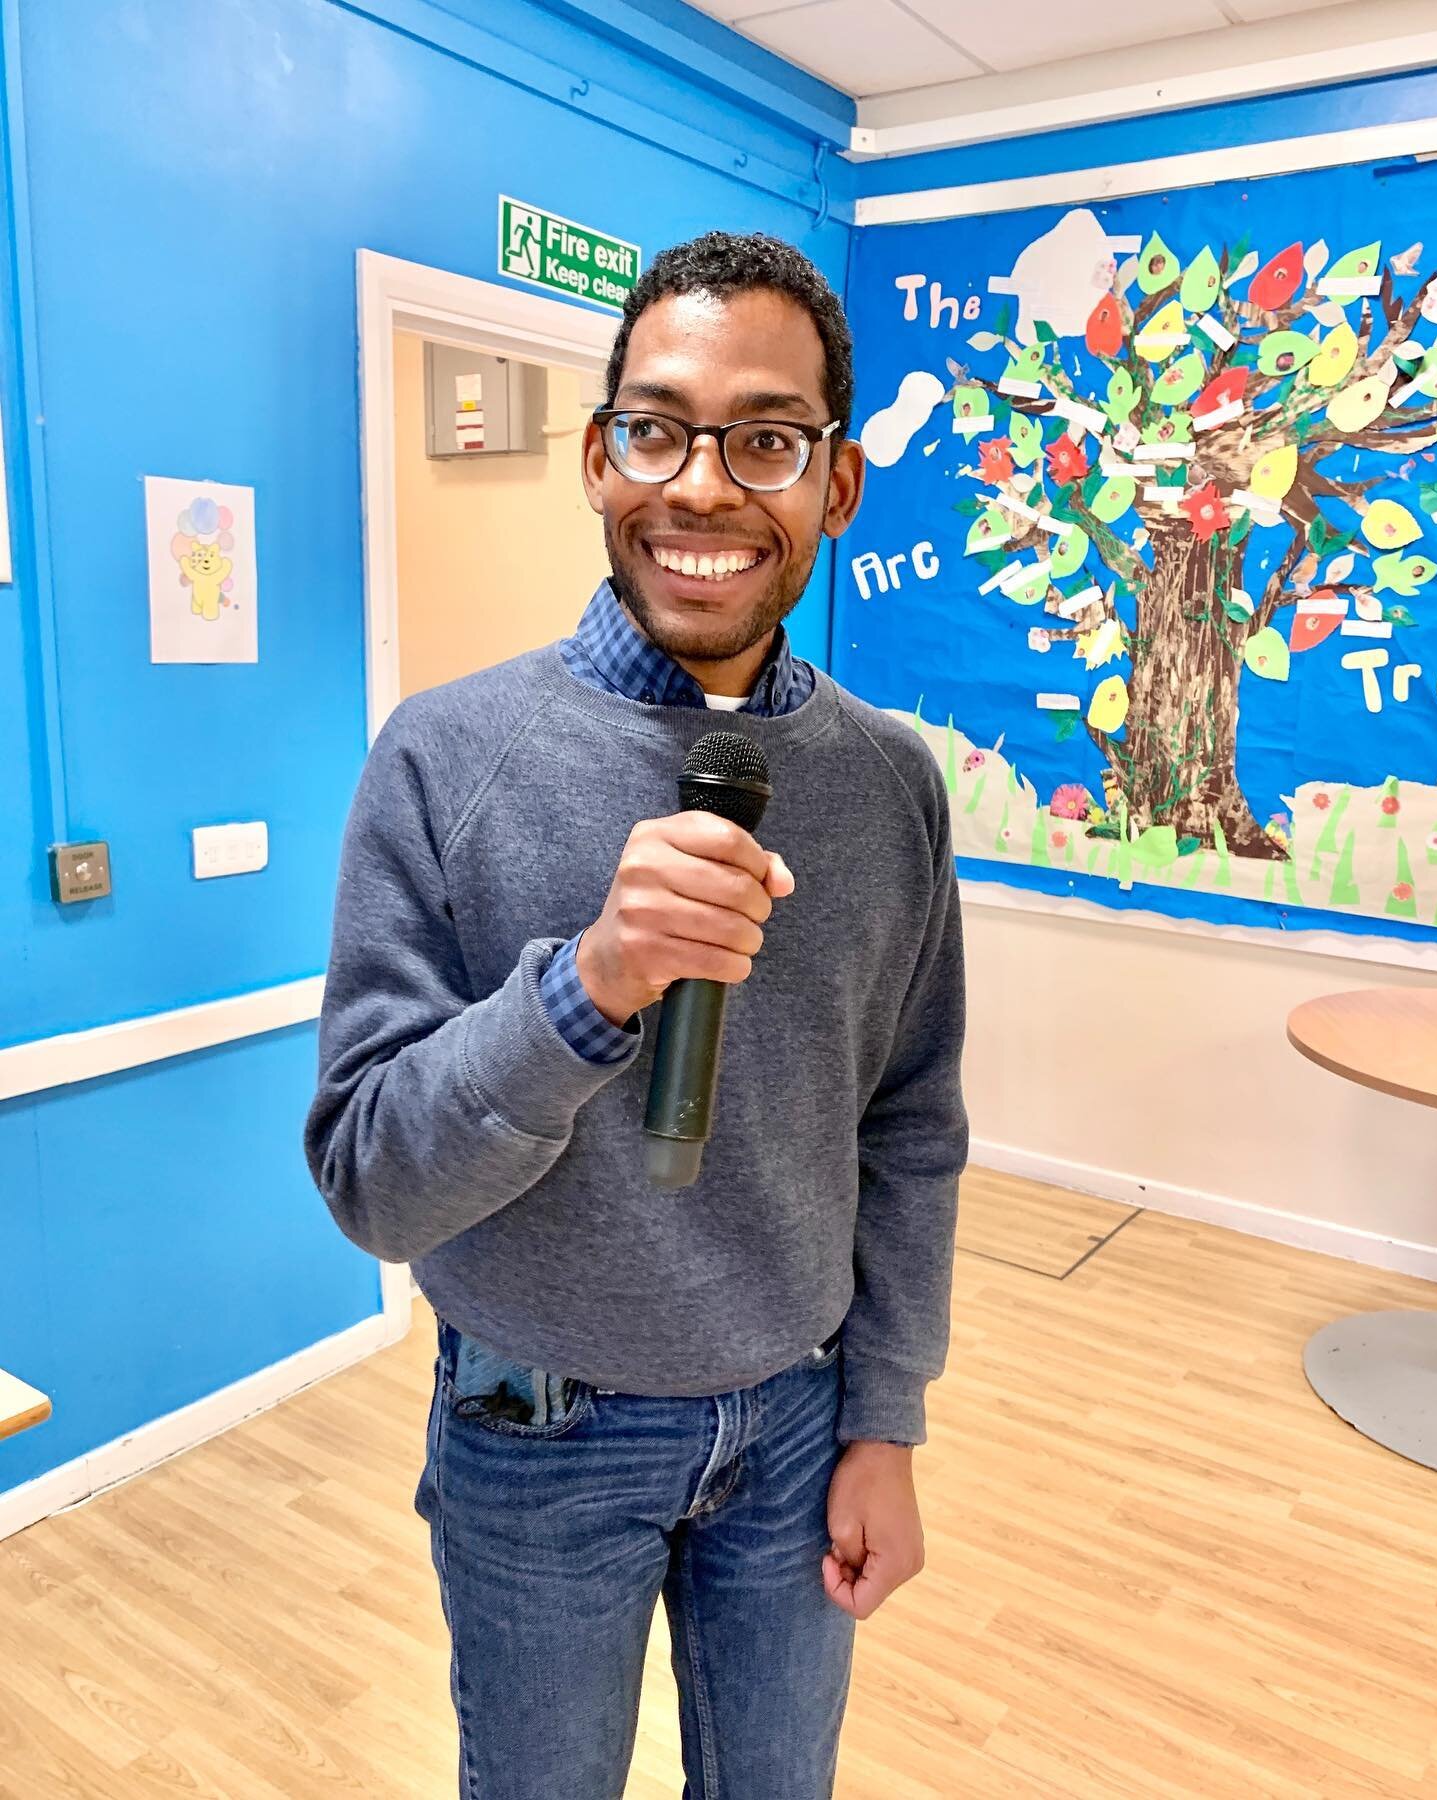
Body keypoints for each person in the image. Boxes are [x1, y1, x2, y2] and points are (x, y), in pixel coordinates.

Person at [305, 231, 967, 1800]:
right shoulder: (443, 758)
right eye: (659, 429)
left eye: (767, 439)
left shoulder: (889, 786)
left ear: (837, 484)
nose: (708, 489)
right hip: (534, 1433)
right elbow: (369, 1183)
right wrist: (585, 988)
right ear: (601, 460)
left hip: (801, 1425)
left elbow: (911, 1127)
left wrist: (888, 1417)